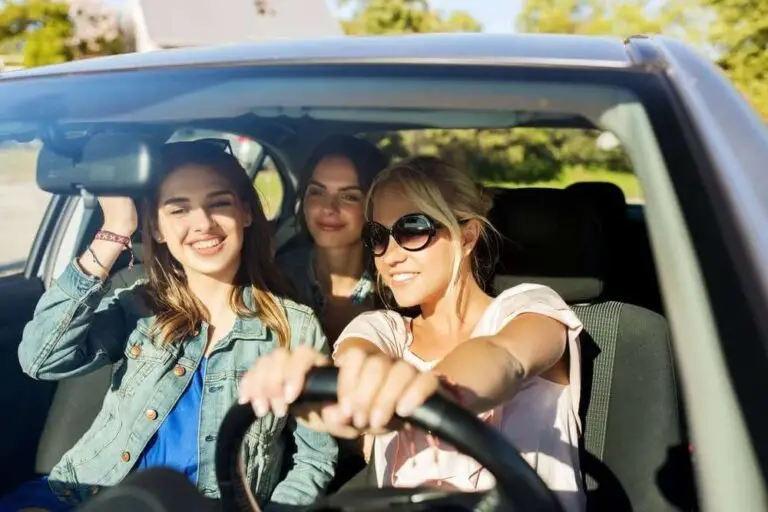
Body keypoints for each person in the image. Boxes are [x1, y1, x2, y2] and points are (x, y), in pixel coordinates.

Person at [238, 155, 586, 511]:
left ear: (466, 236)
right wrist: (322, 388)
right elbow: (358, 363)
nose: (390, 255)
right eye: (378, 236)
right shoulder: (380, 327)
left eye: (413, 230)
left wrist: (427, 393)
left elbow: (503, 358)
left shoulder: (529, 308)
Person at [4, 141, 337, 511]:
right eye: (179, 209)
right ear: (157, 230)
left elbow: (314, 458)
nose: (203, 223)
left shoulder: (293, 327)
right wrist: (115, 229)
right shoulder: (139, 304)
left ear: (246, 213)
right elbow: (40, 358)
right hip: (88, 496)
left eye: (219, 203)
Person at [277, 134, 389, 341]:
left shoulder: (396, 282)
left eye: (349, 196)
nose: (329, 208)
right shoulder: (275, 279)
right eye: (317, 192)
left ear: (375, 206)